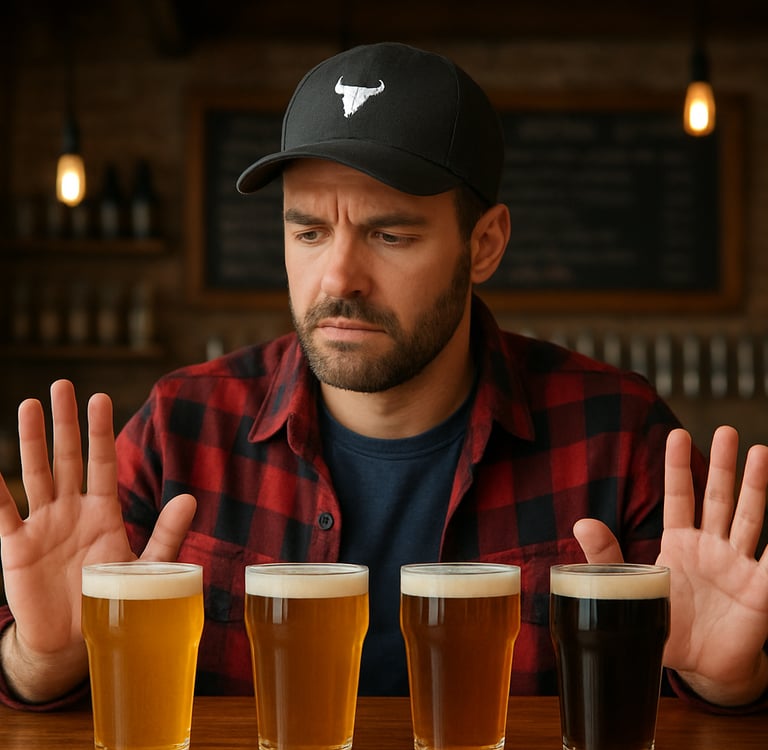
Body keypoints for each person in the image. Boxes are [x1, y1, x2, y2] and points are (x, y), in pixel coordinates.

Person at [1, 42, 767, 712]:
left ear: (486, 244)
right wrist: (45, 660)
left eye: (389, 233)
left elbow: (714, 675)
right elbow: (40, 679)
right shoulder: (181, 425)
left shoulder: (619, 434)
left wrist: (725, 684)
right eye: (307, 231)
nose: (339, 276)